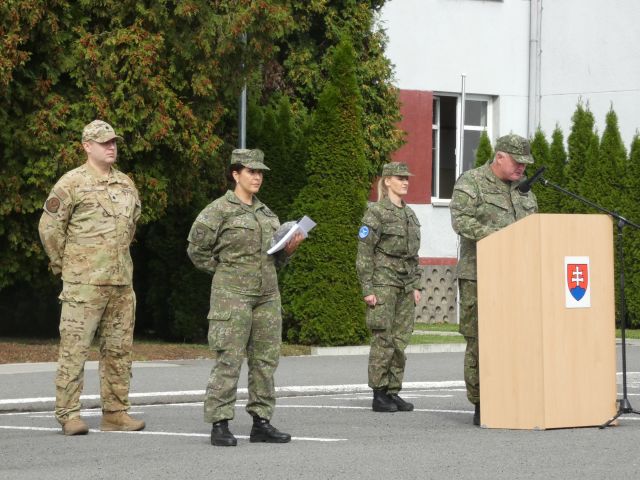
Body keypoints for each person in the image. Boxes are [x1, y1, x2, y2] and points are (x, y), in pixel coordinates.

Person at [187, 148, 303, 447]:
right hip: (232, 295)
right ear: (235, 174)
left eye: (260, 172)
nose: (257, 177)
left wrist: (289, 250)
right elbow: (196, 250)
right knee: (229, 359)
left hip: (267, 295)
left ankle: (261, 422)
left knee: (265, 361)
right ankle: (220, 422)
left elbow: (275, 260)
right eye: (251, 171)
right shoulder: (218, 210)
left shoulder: (267, 214)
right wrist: (224, 273)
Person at [38, 120, 145, 435]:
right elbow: (49, 227)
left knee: (119, 351)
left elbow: (132, 224)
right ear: (87, 146)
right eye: (104, 142)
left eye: (114, 142)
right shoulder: (72, 183)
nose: (111, 147)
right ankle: (69, 414)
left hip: (121, 282)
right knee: (75, 350)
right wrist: (65, 265)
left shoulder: (125, 183)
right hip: (83, 283)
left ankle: (115, 413)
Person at [449, 133, 538, 426]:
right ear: (499, 157)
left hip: (518, 276)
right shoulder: (472, 182)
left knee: (518, 338)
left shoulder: (524, 191)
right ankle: (482, 401)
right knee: (480, 339)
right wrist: (502, 238)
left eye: (525, 163)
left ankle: (514, 395)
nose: (522, 167)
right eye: (517, 161)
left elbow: (534, 228)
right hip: (479, 275)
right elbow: (461, 221)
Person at [356, 162, 422, 413]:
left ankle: (393, 390)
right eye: (400, 177)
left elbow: (414, 255)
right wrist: (367, 288)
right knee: (383, 339)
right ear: (387, 181)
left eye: (407, 178)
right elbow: (364, 253)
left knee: (400, 341)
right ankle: (379, 392)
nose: (405, 182)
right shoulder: (376, 213)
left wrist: (416, 285)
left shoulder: (410, 215)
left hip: (405, 285)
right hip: (383, 283)